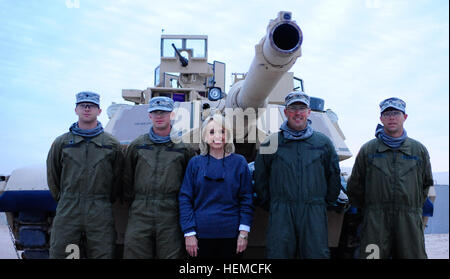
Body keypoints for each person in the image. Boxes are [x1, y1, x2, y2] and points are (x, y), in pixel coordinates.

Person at [254, 91, 341, 259]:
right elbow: (260, 177)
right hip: (281, 211)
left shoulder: (323, 143)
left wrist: (324, 203)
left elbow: (333, 176)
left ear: (309, 112)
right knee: (279, 253)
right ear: (286, 112)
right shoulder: (271, 142)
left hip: (313, 210)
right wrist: (273, 204)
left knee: (316, 254)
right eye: (293, 108)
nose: (297, 113)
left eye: (302, 108)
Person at [347, 97, 433, 259]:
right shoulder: (369, 150)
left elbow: (426, 184)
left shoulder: (418, 150)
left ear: (404, 117)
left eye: (396, 113)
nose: (391, 117)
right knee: (372, 256)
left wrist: (410, 207)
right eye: (387, 114)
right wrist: (371, 210)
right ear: (381, 119)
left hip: (408, 221)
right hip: (375, 222)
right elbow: (355, 186)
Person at [46, 91, 123, 259]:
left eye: (91, 106)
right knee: (63, 253)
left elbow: (118, 179)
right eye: (83, 105)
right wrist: (66, 198)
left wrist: (102, 199)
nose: (87, 109)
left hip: (100, 209)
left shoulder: (111, 145)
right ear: (76, 110)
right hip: (69, 208)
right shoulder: (62, 143)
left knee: (103, 253)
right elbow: (53, 176)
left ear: (99, 111)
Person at [122, 96, 196, 259]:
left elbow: (190, 182)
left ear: (172, 115)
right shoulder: (138, 145)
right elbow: (127, 177)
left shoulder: (183, 148)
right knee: (134, 253)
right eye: (155, 112)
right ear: (149, 116)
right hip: (140, 210)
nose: (159, 116)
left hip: (171, 211)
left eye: (164, 112)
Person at [178, 113, 254, 259]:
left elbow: (246, 199)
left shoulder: (239, 163)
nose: (217, 136)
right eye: (212, 132)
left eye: (222, 131)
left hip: (231, 236)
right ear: (205, 137)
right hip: (200, 237)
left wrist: (244, 233)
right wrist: (189, 233)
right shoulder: (195, 163)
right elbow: (185, 198)